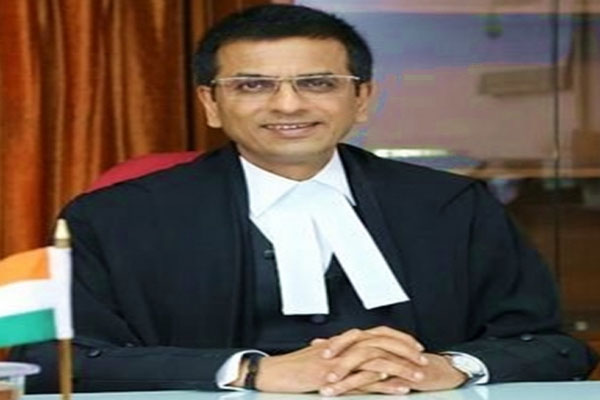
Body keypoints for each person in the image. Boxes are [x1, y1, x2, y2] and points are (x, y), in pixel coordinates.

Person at [12, 4, 597, 396]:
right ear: (211, 104)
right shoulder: (115, 217)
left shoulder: (452, 206)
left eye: (317, 83)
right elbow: (49, 360)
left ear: (361, 98)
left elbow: (553, 348)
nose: (288, 105)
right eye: (253, 85)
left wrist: (445, 368)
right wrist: (250, 371)